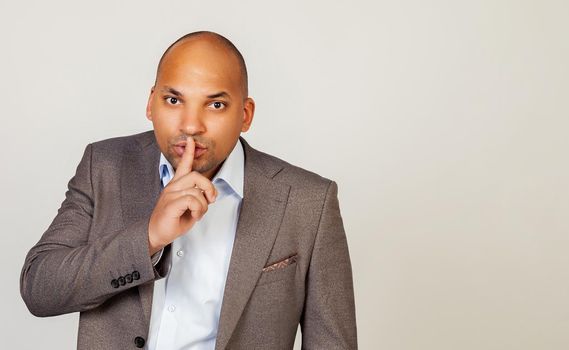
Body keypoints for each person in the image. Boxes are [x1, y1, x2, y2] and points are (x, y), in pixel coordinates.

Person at [19, 30, 357, 350]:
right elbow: (39, 288)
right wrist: (149, 237)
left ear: (245, 114)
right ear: (151, 103)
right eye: (173, 100)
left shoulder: (308, 201)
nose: (191, 125)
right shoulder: (104, 166)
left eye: (216, 105)